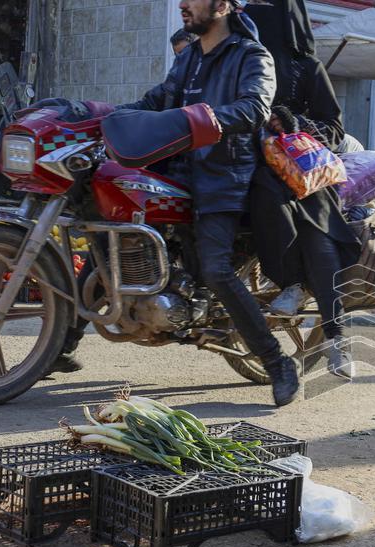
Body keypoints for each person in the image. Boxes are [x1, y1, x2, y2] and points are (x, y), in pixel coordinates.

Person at [119, 0, 299, 406]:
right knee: (108, 235)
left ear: (222, 5)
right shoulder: (189, 60)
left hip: (222, 177)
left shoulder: (251, 54)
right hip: (178, 173)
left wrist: (195, 120)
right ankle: (59, 346)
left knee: (217, 270)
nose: (183, 4)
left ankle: (277, 362)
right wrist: (98, 116)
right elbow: (157, 101)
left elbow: (254, 108)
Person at [245, 0, 359, 379]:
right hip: (250, 169)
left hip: (302, 170)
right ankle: (291, 282)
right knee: (267, 205)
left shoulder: (307, 68)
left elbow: (334, 128)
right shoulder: (241, 62)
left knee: (319, 234)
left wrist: (295, 122)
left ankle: (337, 339)